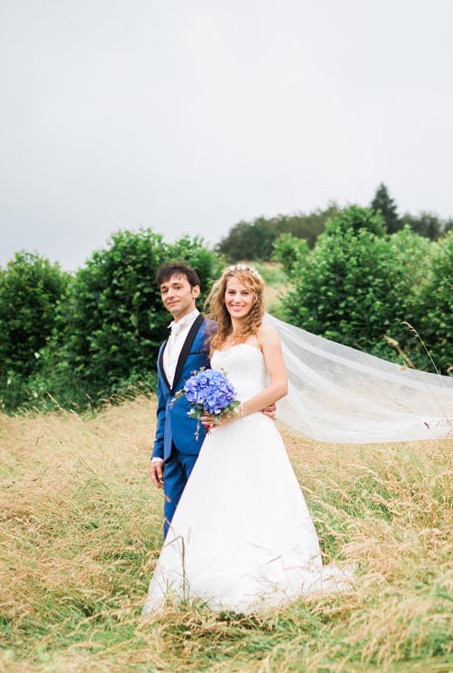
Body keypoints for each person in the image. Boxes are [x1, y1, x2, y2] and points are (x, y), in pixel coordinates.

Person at [144, 263, 349, 614]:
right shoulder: (218, 339)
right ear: (222, 296)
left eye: (245, 293)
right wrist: (167, 443)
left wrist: (246, 410)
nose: (237, 299)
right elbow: (188, 390)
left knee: (258, 500)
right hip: (217, 437)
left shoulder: (265, 334)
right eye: (232, 292)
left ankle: (264, 578)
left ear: (256, 297)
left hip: (252, 431)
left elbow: (278, 385)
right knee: (218, 508)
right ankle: (209, 578)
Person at [150, 262, 213, 536]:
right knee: (173, 524)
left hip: (205, 441)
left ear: (195, 291)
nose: (170, 294)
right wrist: (157, 452)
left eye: (177, 287)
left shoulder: (213, 331)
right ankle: (175, 577)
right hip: (171, 450)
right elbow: (164, 405)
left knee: (207, 515)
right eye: (165, 290)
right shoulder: (164, 347)